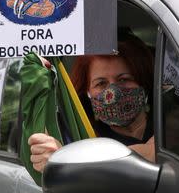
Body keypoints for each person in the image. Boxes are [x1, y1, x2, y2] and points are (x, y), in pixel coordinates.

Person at [28, 32, 155, 172]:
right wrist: (58, 159)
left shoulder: (169, 123)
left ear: (144, 81)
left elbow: (157, 152)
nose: (112, 93)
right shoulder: (81, 137)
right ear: (87, 91)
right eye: (101, 83)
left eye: (123, 79)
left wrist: (68, 159)